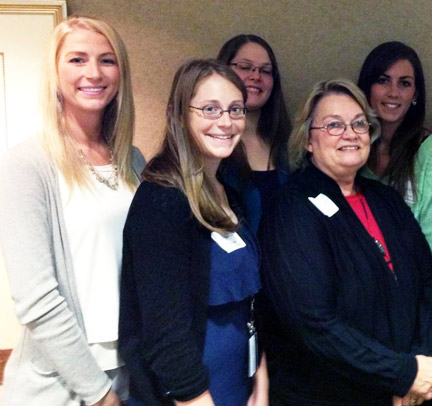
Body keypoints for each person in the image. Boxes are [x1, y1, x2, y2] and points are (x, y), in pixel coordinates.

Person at [257, 79, 432, 405]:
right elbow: (312, 322)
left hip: (405, 393)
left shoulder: (385, 200)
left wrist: (419, 368)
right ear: (309, 140)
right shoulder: (291, 208)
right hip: (328, 396)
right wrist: (400, 373)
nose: (350, 133)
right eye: (334, 125)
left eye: (359, 123)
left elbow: (428, 281)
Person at [0, 16, 145, 406]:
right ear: (55, 72)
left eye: (107, 60)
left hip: (129, 368)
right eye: (77, 60)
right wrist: (99, 394)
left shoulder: (133, 161)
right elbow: (36, 299)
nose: (93, 73)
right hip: (61, 385)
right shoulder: (27, 164)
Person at [118, 59, 267, 406]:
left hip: (238, 387)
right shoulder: (161, 202)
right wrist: (196, 399)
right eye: (210, 109)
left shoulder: (227, 191)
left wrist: (260, 381)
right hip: (190, 396)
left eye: (235, 109)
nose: (226, 122)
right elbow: (164, 332)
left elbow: (249, 307)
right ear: (178, 114)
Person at [357, 41, 432, 263]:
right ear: (367, 88)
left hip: (411, 283)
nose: (393, 93)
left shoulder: (431, 150)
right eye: (383, 81)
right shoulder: (352, 145)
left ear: (415, 94)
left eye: (404, 83)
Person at [217, 34, 291, 231]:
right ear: (224, 70)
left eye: (265, 70)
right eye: (244, 66)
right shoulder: (211, 143)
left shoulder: (287, 145)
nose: (256, 76)